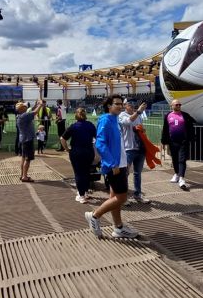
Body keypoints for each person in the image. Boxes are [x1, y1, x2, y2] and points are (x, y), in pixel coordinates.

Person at [84, 94, 138, 239]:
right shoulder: (106, 120)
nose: (120, 106)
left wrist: (124, 162)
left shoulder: (115, 120)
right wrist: (113, 163)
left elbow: (118, 145)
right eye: (117, 104)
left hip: (120, 163)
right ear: (109, 106)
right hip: (114, 165)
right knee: (121, 198)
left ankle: (119, 227)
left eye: (121, 104)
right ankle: (94, 216)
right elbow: (100, 144)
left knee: (115, 197)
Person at [60, 107, 97, 204]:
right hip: (89, 151)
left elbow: (62, 139)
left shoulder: (73, 126)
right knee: (86, 172)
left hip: (76, 152)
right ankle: (85, 193)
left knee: (78, 173)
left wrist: (67, 149)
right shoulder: (91, 125)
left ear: (75, 115)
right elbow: (97, 137)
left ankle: (81, 195)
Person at [119, 99, 150, 204]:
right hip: (128, 149)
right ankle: (123, 197)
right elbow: (128, 121)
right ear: (125, 106)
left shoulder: (139, 116)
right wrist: (138, 112)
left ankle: (138, 195)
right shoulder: (122, 115)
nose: (132, 106)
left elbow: (142, 128)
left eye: (134, 105)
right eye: (130, 105)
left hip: (139, 148)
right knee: (125, 173)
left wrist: (142, 130)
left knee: (138, 173)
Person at [161, 99, 196, 191]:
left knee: (182, 160)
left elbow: (191, 126)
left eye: (179, 105)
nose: (178, 106)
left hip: (183, 142)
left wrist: (191, 138)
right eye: (176, 105)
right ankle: (176, 174)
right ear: (171, 106)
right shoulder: (168, 115)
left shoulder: (185, 115)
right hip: (172, 142)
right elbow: (165, 129)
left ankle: (181, 179)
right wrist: (164, 142)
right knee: (175, 159)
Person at [16, 100, 43, 182]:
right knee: (28, 159)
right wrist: (40, 105)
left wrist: (36, 104)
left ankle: (22, 175)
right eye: (24, 106)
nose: (26, 107)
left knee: (23, 158)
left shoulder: (20, 116)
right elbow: (35, 112)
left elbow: (31, 111)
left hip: (24, 139)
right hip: (28, 139)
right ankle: (25, 176)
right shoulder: (25, 116)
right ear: (22, 109)